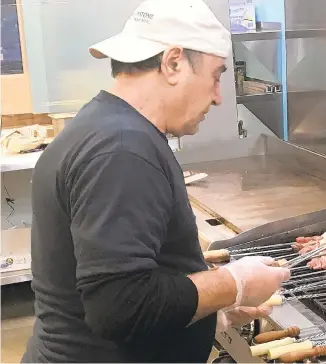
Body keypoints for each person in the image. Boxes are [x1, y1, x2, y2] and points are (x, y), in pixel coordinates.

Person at [21, 0, 290, 362]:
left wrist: (209, 312)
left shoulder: (106, 126)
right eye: (216, 75)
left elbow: (138, 280)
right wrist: (231, 283)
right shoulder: (122, 150)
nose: (217, 95)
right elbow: (118, 306)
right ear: (173, 62)